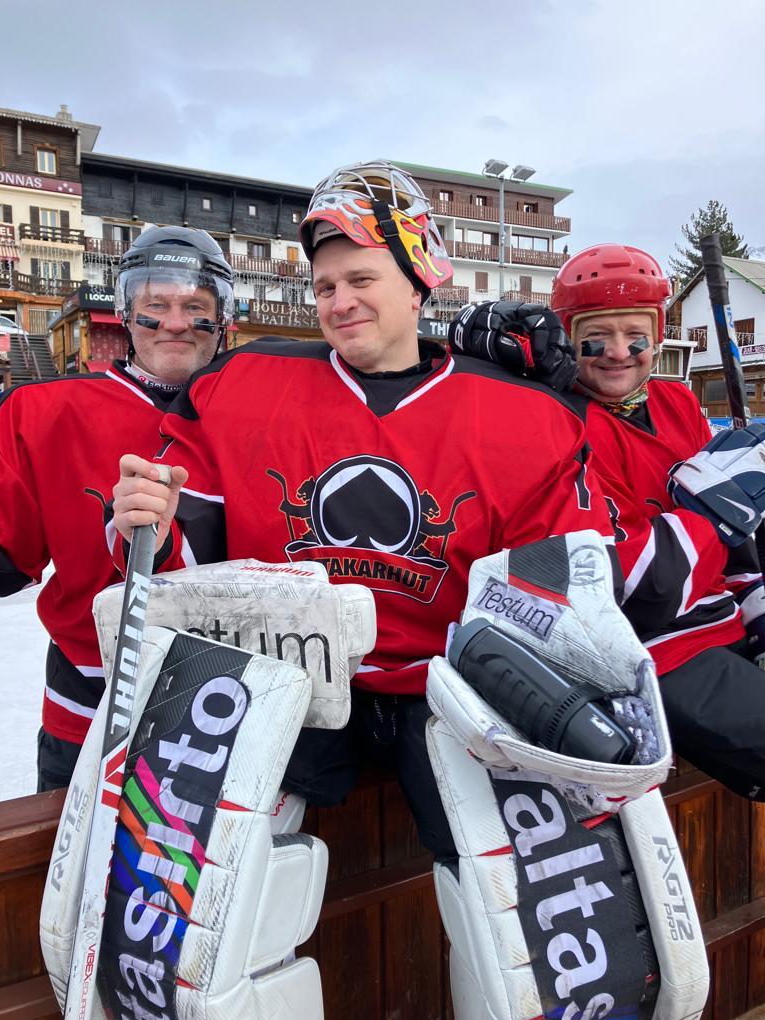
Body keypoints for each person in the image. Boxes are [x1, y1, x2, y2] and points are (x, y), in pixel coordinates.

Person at [110, 161, 614, 862]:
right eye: (325, 287)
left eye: (361, 279)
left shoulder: (524, 412)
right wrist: (151, 529)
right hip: (287, 679)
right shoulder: (243, 385)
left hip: (450, 690)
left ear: (418, 280)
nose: (340, 301)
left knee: (524, 872)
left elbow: (562, 590)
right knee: (215, 859)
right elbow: (186, 552)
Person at [449, 243, 765, 801]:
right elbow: (634, 588)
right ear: (565, 338)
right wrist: (713, 510)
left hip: (720, 622)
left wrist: (755, 597)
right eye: (595, 338)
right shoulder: (555, 422)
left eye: (636, 337)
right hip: (650, 652)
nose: (619, 353)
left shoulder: (676, 402)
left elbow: (736, 550)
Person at [0, 226, 234, 791]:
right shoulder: (41, 413)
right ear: (126, 313)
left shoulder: (259, 412)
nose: (175, 323)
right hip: (86, 705)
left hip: (224, 710)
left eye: (196, 307)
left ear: (222, 317)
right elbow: (5, 565)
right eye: (156, 305)